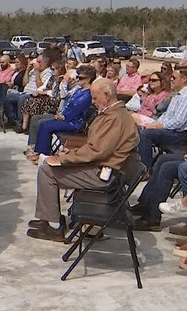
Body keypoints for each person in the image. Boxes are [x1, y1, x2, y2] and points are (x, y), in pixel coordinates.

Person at [27, 79, 139, 241]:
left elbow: (97, 151)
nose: (93, 102)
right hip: (102, 167)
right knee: (48, 167)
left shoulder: (115, 118)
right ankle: (49, 219)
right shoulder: (114, 114)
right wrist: (73, 152)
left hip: (104, 173)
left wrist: (64, 159)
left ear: (106, 95)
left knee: (47, 171)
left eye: (95, 98)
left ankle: (53, 225)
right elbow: (96, 146)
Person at [25, 65, 95, 164]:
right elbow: (69, 105)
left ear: (89, 79)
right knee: (43, 123)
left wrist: (63, 116)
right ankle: (40, 152)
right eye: (78, 77)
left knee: (46, 126)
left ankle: (43, 155)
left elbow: (77, 109)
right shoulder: (79, 90)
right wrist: (62, 114)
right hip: (67, 119)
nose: (78, 79)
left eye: (81, 78)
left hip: (75, 123)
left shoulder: (88, 94)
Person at [137, 67, 187, 168]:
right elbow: (167, 115)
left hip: (178, 134)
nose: (171, 79)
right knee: (138, 129)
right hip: (170, 130)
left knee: (145, 135)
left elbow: (178, 122)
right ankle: (136, 162)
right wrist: (154, 124)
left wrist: (158, 126)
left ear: (183, 79)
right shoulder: (177, 94)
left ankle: (145, 168)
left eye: (174, 78)